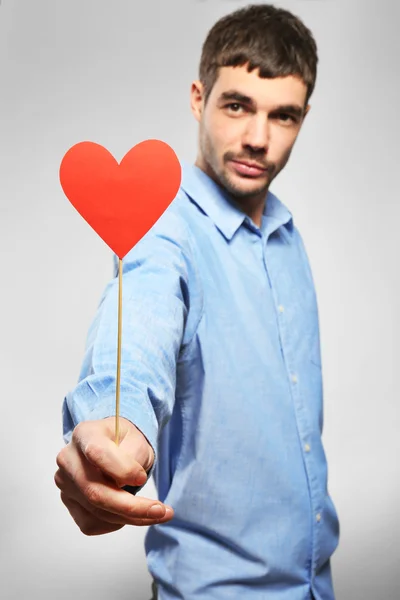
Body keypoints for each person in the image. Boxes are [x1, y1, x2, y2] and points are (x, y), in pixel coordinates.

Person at [54, 4, 340, 599]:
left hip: (315, 586)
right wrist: (116, 427)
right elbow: (138, 329)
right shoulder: (164, 233)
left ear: (303, 118)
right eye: (237, 105)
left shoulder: (288, 238)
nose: (258, 139)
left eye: (282, 116)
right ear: (197, 97)